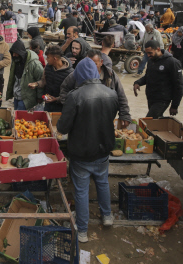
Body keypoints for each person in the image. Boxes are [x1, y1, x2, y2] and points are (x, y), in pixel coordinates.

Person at [57, 58, 118, 243]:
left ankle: (82, 231)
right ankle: (107, 216)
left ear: (80, 74)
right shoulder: (111, 93)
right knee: (102, 182)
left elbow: (63, 127)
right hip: (103, 150)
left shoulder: (75, 96)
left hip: (82, 152)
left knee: (81, 190)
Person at [60, 49, 131, 124]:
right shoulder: (78, 74)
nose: (90, 67)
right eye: (88, 64)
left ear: (101, 62)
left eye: (94, 64)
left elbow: (121, 96)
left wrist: (124, 114)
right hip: (82, 118)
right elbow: (64, 89)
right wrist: (71, 108)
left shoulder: (110, 76)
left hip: (104, 117)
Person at [133, 40, 183, 118]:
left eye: (150, 53)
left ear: (158, 49)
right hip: (151, 97)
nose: (148, 55)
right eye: (147, 53)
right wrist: (138, 82)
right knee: (156, 122)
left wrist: (175, 105)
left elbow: (179, 85)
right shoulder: (151, 61)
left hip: (163, 99)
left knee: (149, 121)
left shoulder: (172, 62)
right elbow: (148, 76)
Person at [30, 44, 73, 112]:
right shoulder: (48, 67)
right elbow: (43, 81)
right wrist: (36, 84)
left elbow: (70, 94)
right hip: (48, 104)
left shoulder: (70, 73)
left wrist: (56, 99)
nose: (46, 59)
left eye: (48, 57)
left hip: (60, 107)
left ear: (55, 58)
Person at [6, 39, 44, 110]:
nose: (14, 55)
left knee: (20, 118)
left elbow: (40, 80)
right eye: (12, 53)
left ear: (21, 53)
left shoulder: (34, 64)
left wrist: (39, 97)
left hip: (26, 98)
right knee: (16, 117)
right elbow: (13, 79)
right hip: (17, 96)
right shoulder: (15, 61)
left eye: (15, 53)